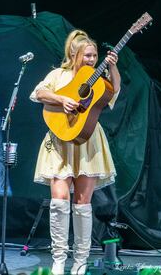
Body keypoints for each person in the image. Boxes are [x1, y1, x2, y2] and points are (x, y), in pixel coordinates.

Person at [30, 29, 121, 275]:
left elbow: (113, 95)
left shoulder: (99, 80)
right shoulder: (59, 75)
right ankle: (59, 259)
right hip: (60, 142)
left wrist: (112, 68)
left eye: (94, 56)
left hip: (88, 140)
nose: (92, 60)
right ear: (74, 54)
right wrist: (62, 100)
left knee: (82, 203)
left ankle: (80, 260)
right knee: (59, 202)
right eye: (88, 55)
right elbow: (38, 93)